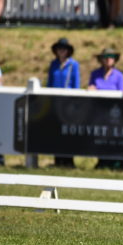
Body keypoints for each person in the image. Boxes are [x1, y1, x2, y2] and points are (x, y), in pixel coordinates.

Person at [89, 48, 123, 170]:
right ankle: (102, 161)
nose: (108, 59)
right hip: (99, 112)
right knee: (101, 136)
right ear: (101, 59)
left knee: (116, 138)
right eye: (105, 57)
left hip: (114, 113)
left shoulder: (119, 75)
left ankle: (118, 163)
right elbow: (91, 87)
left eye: (111, 56)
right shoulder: (95, 74)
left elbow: (122, 93)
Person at [48, 38, 81, 168]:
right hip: (56, 102)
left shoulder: (73, 64)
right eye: (59, 48)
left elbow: (76, 83)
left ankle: (69, 160)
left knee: (68, 132)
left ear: (68, 51)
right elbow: (50, 82)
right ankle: (58, 160)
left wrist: (74, 101)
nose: (61, 51)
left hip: (68, 103)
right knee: (56, 131)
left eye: (64, 48)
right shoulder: (53, 64)